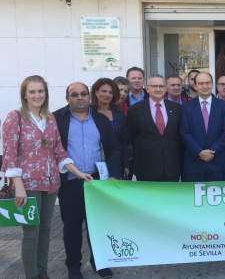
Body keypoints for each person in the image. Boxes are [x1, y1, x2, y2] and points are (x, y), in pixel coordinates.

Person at [1, 76, 93, 279]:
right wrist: (19, 186)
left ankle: (42, 271)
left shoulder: (50, 118)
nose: (37, 95)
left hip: (51, 183)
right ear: (25, 94)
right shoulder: (15, 117)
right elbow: (9, 154)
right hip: (28, 183)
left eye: (40, 91)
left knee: (45, 229)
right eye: (32, 92)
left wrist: (78, 173)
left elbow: (58, 151)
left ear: (46, 93)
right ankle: (31, 275)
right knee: (31, 233)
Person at [54, 82, 121, 279]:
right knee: (72, 226)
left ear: (89, 97)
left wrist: (113, 176)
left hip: (97, 181)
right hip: (70, 182)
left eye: (83, 94)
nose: (80, 98)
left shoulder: (100, 119)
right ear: (67, 99)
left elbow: (113, 149)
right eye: (74, 95)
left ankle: (98, 262)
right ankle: (73, 266)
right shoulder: (57, 119)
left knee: (97, 225)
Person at [126, 75, 182, 182]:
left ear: (165, 88)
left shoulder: (176, 108)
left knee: (170, 198)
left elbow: (179, 136)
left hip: (171, 167)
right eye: (154, 86)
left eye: (161, 86)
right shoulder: (135, 110)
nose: (158, 89)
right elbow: (131, 136)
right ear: (147, 89)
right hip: (146, 167)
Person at [181, 72, 225, 182]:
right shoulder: (186, 107)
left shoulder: (223, 106)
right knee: (193, 198)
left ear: (213, 84)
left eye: (208, 83)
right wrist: (199, 152)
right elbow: (185, 132)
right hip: (194, 163)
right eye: (201, 83)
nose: (205, 86)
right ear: (195, 86)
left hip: (217, 162)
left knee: (217, 197)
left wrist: (211, 152)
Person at [91, 78, 129, 180]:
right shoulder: (89, 112)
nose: (107, 95)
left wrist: (126, 163)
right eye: (104, 91)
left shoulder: (118, 111)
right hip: (96, 162)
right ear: (95, 92)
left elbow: (122, 139)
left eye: (110, 92)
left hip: (116, 161)